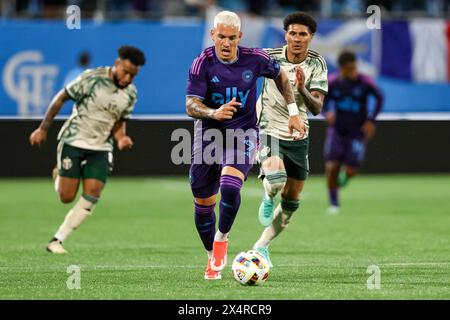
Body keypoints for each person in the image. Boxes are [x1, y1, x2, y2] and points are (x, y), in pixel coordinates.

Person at [186, 10, 305, 280]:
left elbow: (281, 77)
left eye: (231, 38)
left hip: (243, 133)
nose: (226, 44)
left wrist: (294, 111)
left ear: (239, 36)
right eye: (221, 38)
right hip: (208, 135)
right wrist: (212, 113)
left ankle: (222, 238)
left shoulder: (256, 59)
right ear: (212, 35)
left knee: (229, 186)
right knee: (203, 202)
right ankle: (210, 255)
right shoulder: (201, 64)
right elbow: (190, 105)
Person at [29, 45, 146, 253]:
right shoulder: (92, 78)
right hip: (74, 140)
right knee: (66, 197)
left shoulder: (131, 93)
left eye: (133, 75)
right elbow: (61, 98)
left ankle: (57, 240)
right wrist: (42, 129)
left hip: (101, 147)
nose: (128, 78)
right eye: (126, 72)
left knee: (93, 192)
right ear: (117, 63)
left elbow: (119, 121)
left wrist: (121, 139)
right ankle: (60, 174)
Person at [252, 12, 328, 267]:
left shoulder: (317, 63)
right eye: (292, 33)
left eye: (302, 34)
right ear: (285, 34)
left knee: (292, 201)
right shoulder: (268, 57)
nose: (297, 38)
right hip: (268, 128)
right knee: (275, 178)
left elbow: (317, 108)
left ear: (311, 37)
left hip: (298, 135)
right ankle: (268, 195)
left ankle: (262, 246)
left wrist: (303, 87)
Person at [323, 50, 383, 214]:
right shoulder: (333, 82)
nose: (354, 72)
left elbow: (379, 97)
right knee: (331, 167)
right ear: (342, 68)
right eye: (350, 69)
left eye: (355, 67)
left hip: (357, 131)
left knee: (352, 170)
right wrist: (326, 112)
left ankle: (344, 179)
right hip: (337, 130)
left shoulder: (365, 82)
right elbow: (322, 101)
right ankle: (334, 203)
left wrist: (371, 120)